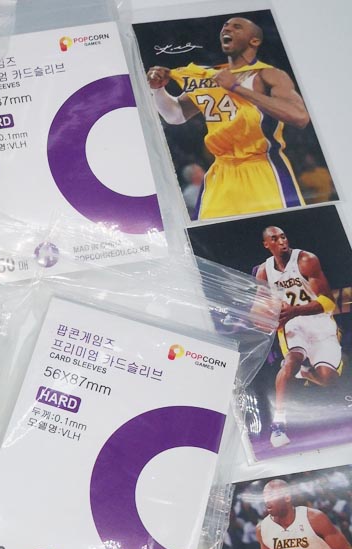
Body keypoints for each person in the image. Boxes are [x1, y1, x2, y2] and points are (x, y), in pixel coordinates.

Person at [146, 16, 309, 219]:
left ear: (254, 41)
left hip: (262, 167)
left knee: (279, 225)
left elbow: (299, 117)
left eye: (237, 27)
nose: (227, 29)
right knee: (209, 230)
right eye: (225, 26)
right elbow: (175, 115)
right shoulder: (211, 76)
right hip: (221, 170)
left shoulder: (268, 74)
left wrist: (236, 88)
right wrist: (158, 90)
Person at [255, 226, 341, 447]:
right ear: (267, 244)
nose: (281, 241)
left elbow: (328, 302)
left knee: (328, 379)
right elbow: (259, 308)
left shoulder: (306, 260)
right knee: (290, 361)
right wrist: (265, 318)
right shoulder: (264, 271)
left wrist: (295, 310)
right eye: (275, 238)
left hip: (320, 323)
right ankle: (278, 425)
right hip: (292, 326)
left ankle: (305, 372)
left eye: (283, 236)